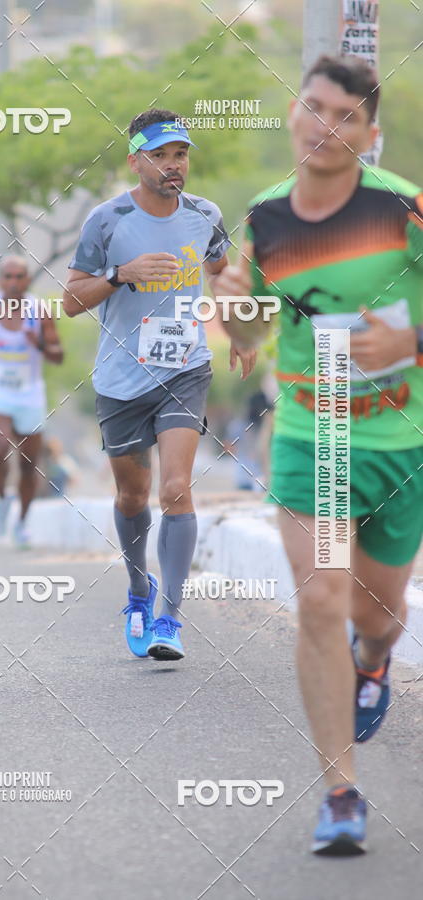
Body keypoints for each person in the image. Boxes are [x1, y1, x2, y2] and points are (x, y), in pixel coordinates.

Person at [216, 55, 423, 855]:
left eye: (344, 115)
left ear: (369, 134)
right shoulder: (265, 217)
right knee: (322, 601)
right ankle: (340, 791)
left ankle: (374, 660)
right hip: (312, 433)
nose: (323, 125)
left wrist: (411, 340)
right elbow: (250, 335)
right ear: (294, 114)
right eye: (313, 107)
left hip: (401, 439)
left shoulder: (404, 207)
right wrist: (235, 317)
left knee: (375, 615)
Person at [64, 108, 256, 661]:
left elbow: (221, 272)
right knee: (132, 495)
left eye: (182, 155)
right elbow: (71, 300)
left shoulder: (205, 214)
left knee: (176, 488)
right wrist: (119, 275)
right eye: (162, 156)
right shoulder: (108, 219)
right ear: (135, 161)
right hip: (121, 380)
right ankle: (138, 591)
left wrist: (239, 328)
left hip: (185, 368)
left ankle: (170, 619)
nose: (175, 166)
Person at [0, 256, 63, 546]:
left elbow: (58, 356)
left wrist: (40, 345)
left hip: (29, 393)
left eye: (20, 277)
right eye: (8, 276)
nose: (14, 282)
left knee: (29, 463)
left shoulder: (41, 311)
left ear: (27, 281)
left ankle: (21, 524)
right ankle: (4, 498)